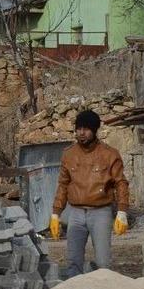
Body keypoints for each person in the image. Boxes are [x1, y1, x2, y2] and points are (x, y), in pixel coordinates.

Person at [50, 110, 130, 278]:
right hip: (76, 214)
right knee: (73, 262)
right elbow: (63, 185)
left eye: (86, 129)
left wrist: (122, 211)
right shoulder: (69, 154)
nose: (81, 133)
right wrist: (56, 213)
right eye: (78, 129)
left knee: (103, 263)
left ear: (95, 130)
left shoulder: (109, 154)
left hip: (101, 212)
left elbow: (121, 182)